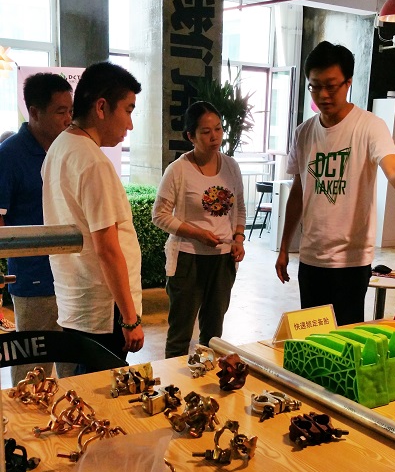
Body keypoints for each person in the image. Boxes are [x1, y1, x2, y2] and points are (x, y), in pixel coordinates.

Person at [275, 41, 395, 325]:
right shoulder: (303, 133)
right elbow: (298, 192)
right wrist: (285, 247)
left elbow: (393, 166)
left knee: (346, 338)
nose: (322, 94)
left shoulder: (369, 126)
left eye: (331, 86)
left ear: (348, 83)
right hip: (311, 259)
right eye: (315, 86)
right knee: (313, 337)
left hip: (351, 261)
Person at [42, 61, 144, 372]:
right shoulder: (93, 162)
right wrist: (130, 319)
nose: (130, 125)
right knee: (101, 393)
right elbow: (107, 248)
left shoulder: (59, 148)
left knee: (82, 387)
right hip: (103, 310)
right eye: (128, 110)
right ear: (101, 107)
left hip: (76, 301)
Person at [152, 101, 246, 358]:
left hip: (223, 260)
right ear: (190, 136)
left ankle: (209, 377)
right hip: (187, 258)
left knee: (213, 335)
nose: (214, 136)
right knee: (180, 333)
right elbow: (159, 215)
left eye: (218, 128)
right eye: (205, 131)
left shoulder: (231, 166)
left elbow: (239, 208)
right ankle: (172, 381)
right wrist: (197, 234)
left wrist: (238, 238)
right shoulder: (178, 170)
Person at [0, 72, 74, 384]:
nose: (68, 119)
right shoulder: (9, 155)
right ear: (34, 112)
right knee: (33, 372)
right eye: (60, 111)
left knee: (74, 369)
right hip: (33, 280)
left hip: (72, 279)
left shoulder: (68, 150)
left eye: (71, 110)